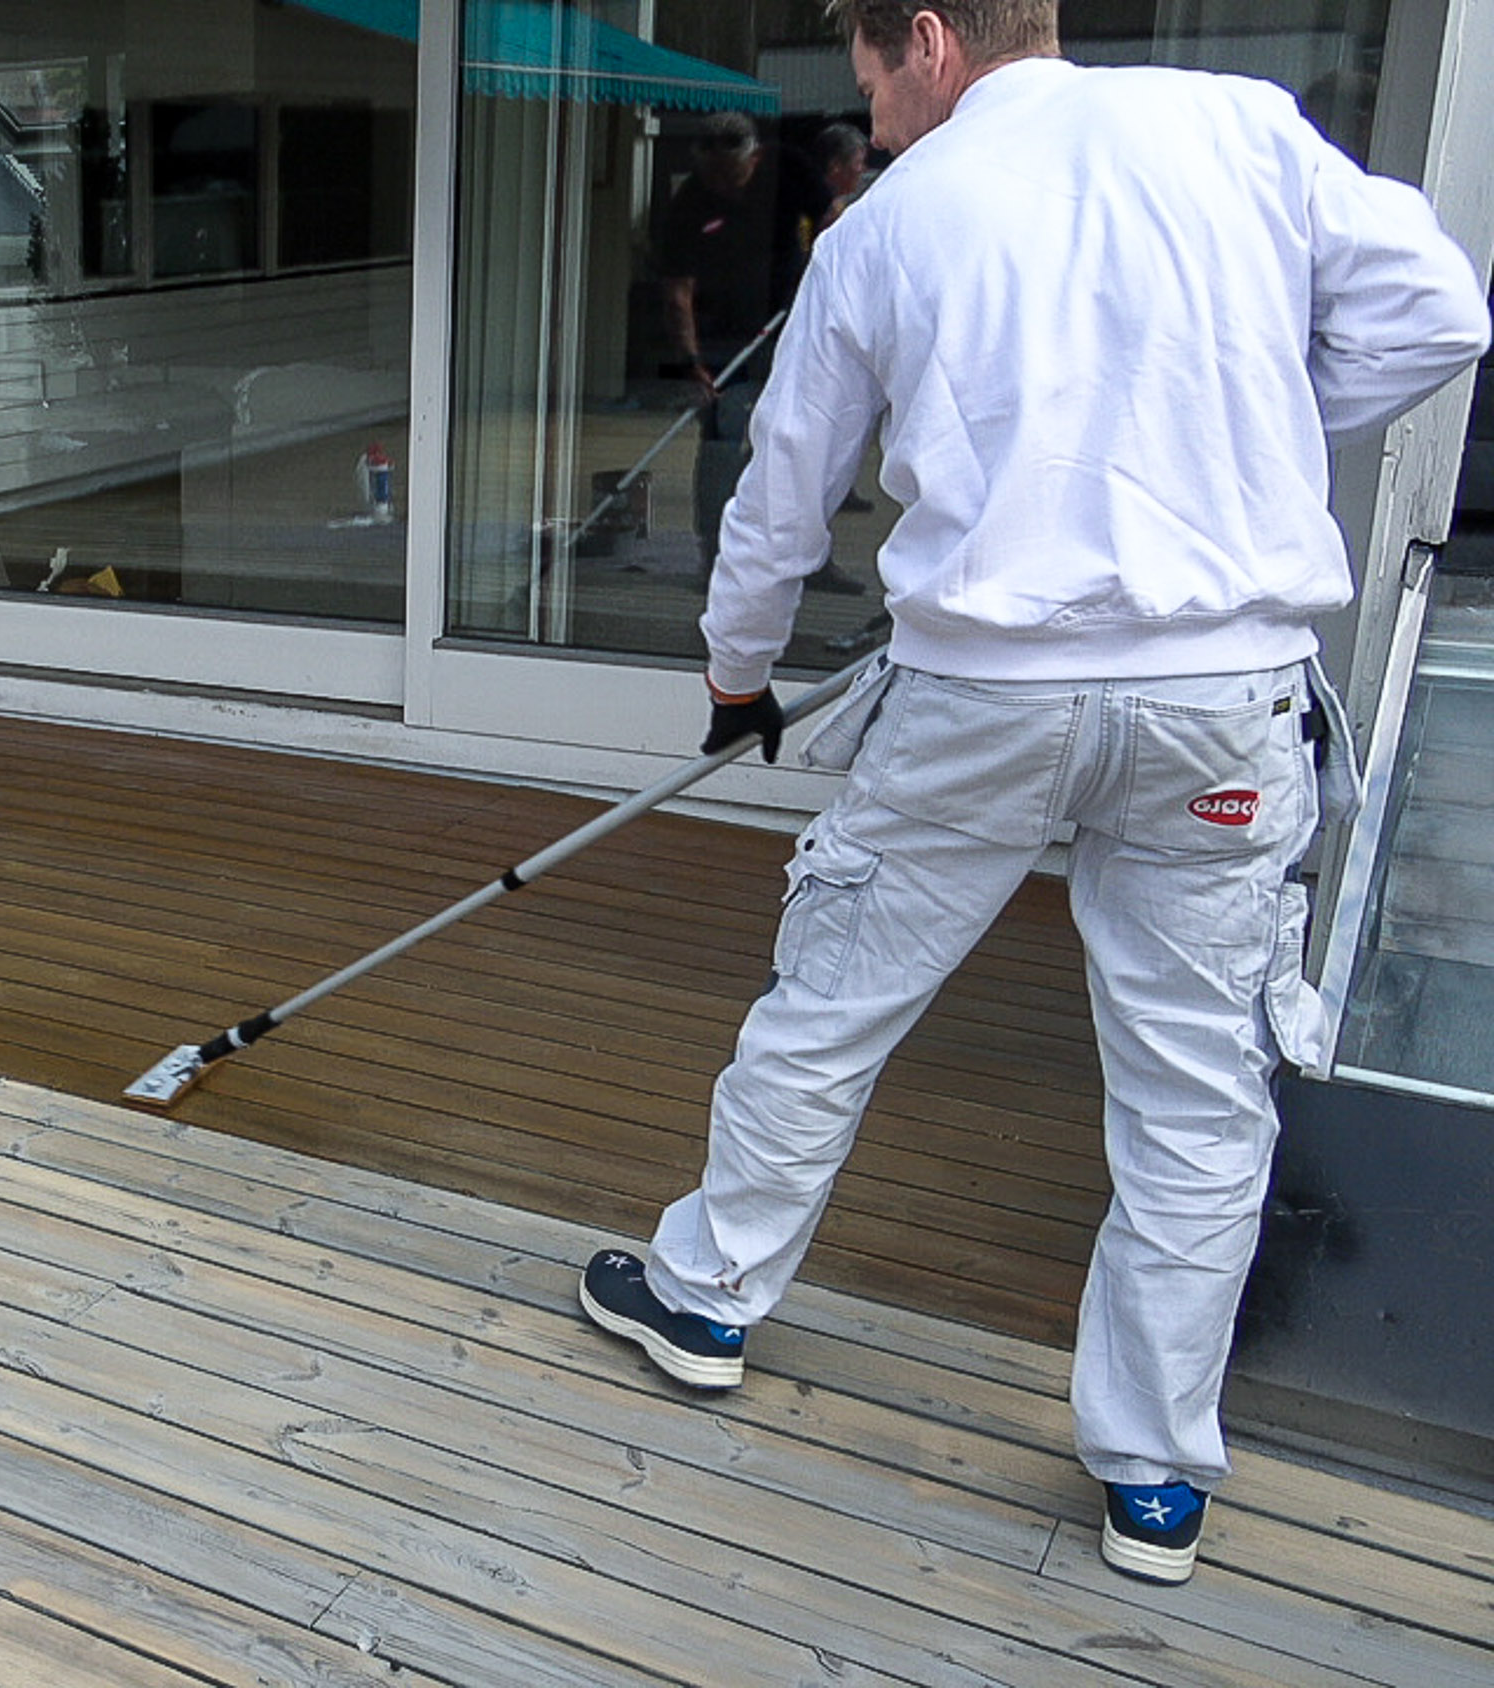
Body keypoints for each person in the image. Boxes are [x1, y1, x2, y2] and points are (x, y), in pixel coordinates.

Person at [578, 0, 1486, 1588]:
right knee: (1197, 1091)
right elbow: (1440, 315)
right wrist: (1244, 437)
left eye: (868, 77)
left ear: (926, 38)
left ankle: (708, 1299)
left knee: (835, 1001)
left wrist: (738, 680)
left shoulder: (892, 224)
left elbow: (782, 494)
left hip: (981, 702)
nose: (869, 116)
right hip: (1224, 701)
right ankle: (1153, 1474)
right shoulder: (1239, 130)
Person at [652, 112, 865, 593]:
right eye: (712, 176)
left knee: (801, 444)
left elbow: (831, 219)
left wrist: (819, 282)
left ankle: (813, 560)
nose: (722, 186)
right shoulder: (689, 204)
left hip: (793, 326)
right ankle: (714, 558)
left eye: (732, 174)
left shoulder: (788, 169)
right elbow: (677, 292)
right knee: (722, 447)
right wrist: (692, 363)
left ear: (755, 156)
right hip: (722, 339)